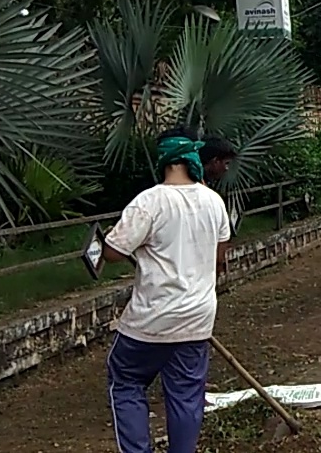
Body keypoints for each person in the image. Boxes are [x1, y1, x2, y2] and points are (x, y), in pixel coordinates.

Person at [101, 126, 232, 453]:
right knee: (187, 396)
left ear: (164, 158)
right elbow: (219, 258)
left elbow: (113, 253)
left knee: (127, 382)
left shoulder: (150, 202)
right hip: (197, 320)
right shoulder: (213, 201)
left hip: (150, 322)